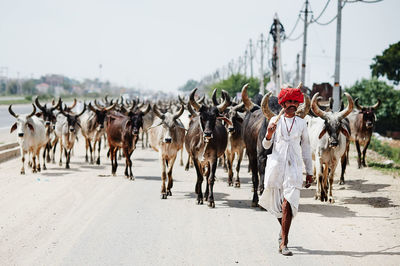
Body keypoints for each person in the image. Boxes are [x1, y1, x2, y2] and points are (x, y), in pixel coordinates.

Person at [258, 86, 314, 256]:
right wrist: (268, 134)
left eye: (294, 102)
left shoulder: (302, 123)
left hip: (294, 168)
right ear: (282, 103)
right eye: (288, 101)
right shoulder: (275, 120)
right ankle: (283, 232)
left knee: (287, 204)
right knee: (277, 208)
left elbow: (306, 148)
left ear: (298, 104)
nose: (291, 104)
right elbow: (266, 146)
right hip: (277, 168)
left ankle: (284, 242)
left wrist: (309, 172)